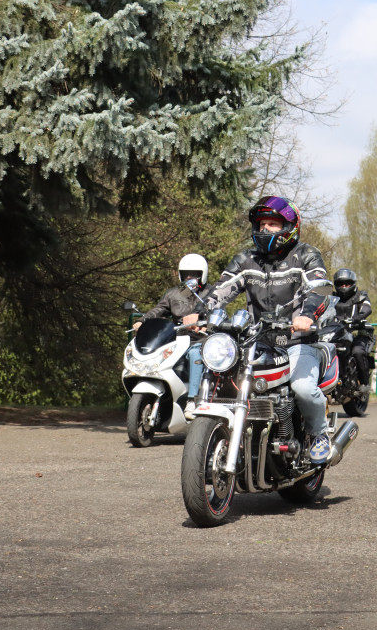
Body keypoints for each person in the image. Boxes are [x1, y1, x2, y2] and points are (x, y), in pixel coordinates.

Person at [182, 195, 334, 463]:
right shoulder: (246, 259)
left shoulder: (306, 256)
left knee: (301, 388)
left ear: (289, 227)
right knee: (227, 379)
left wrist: (307, 315)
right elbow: (221, 289)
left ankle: (320, 435)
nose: (265, 229)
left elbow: (318, 289)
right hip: (258, 341)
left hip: (299, 341)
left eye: (273, 224)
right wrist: (202, 313)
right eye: (262, 224)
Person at [132, 253, 210, 416]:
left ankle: (192, 400)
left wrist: (205, 326)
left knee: (196, 354)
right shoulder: (174, 294)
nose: (190, 277)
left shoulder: (212, 294)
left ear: (202, 275)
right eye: (186, 274)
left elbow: (218, 315)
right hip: (177, 340)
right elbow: (158, 310)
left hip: (200, 340)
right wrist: (142, 321)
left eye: (194, 274)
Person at [332, 268, 373, 388]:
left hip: (357, 332)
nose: (344, 286)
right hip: (336, 333)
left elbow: (367, 307)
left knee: (357, 352)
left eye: (347, 283)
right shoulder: (331, 298)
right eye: (340, 284)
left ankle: (364, 384)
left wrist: (359, 317)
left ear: (353, 284)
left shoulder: (360, 295)